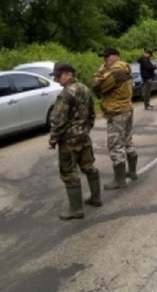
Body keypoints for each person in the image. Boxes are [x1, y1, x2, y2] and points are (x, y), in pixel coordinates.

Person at [49, 63, 100, 220]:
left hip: (69, 140)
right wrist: (85, 129)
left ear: (67, 74)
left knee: (69, 173)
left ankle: (76, 209)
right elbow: (92, 113)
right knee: (88, 166)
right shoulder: (85, 89)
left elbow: (58, 120)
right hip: (84, 136)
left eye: (58, 76)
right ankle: (95, 198)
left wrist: (53, 139)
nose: (57, 80)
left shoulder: (66, 94)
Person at [92, 47, 138, 190]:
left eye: (106, 57)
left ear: (115, 56)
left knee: (115, 144)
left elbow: (96, 87)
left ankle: (120, 180)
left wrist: (99, 72)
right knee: (127, 140)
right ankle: (132, 172)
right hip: (126, 107)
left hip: (116, 111)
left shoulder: (115, 71)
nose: (104, 60)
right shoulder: (125, 68)